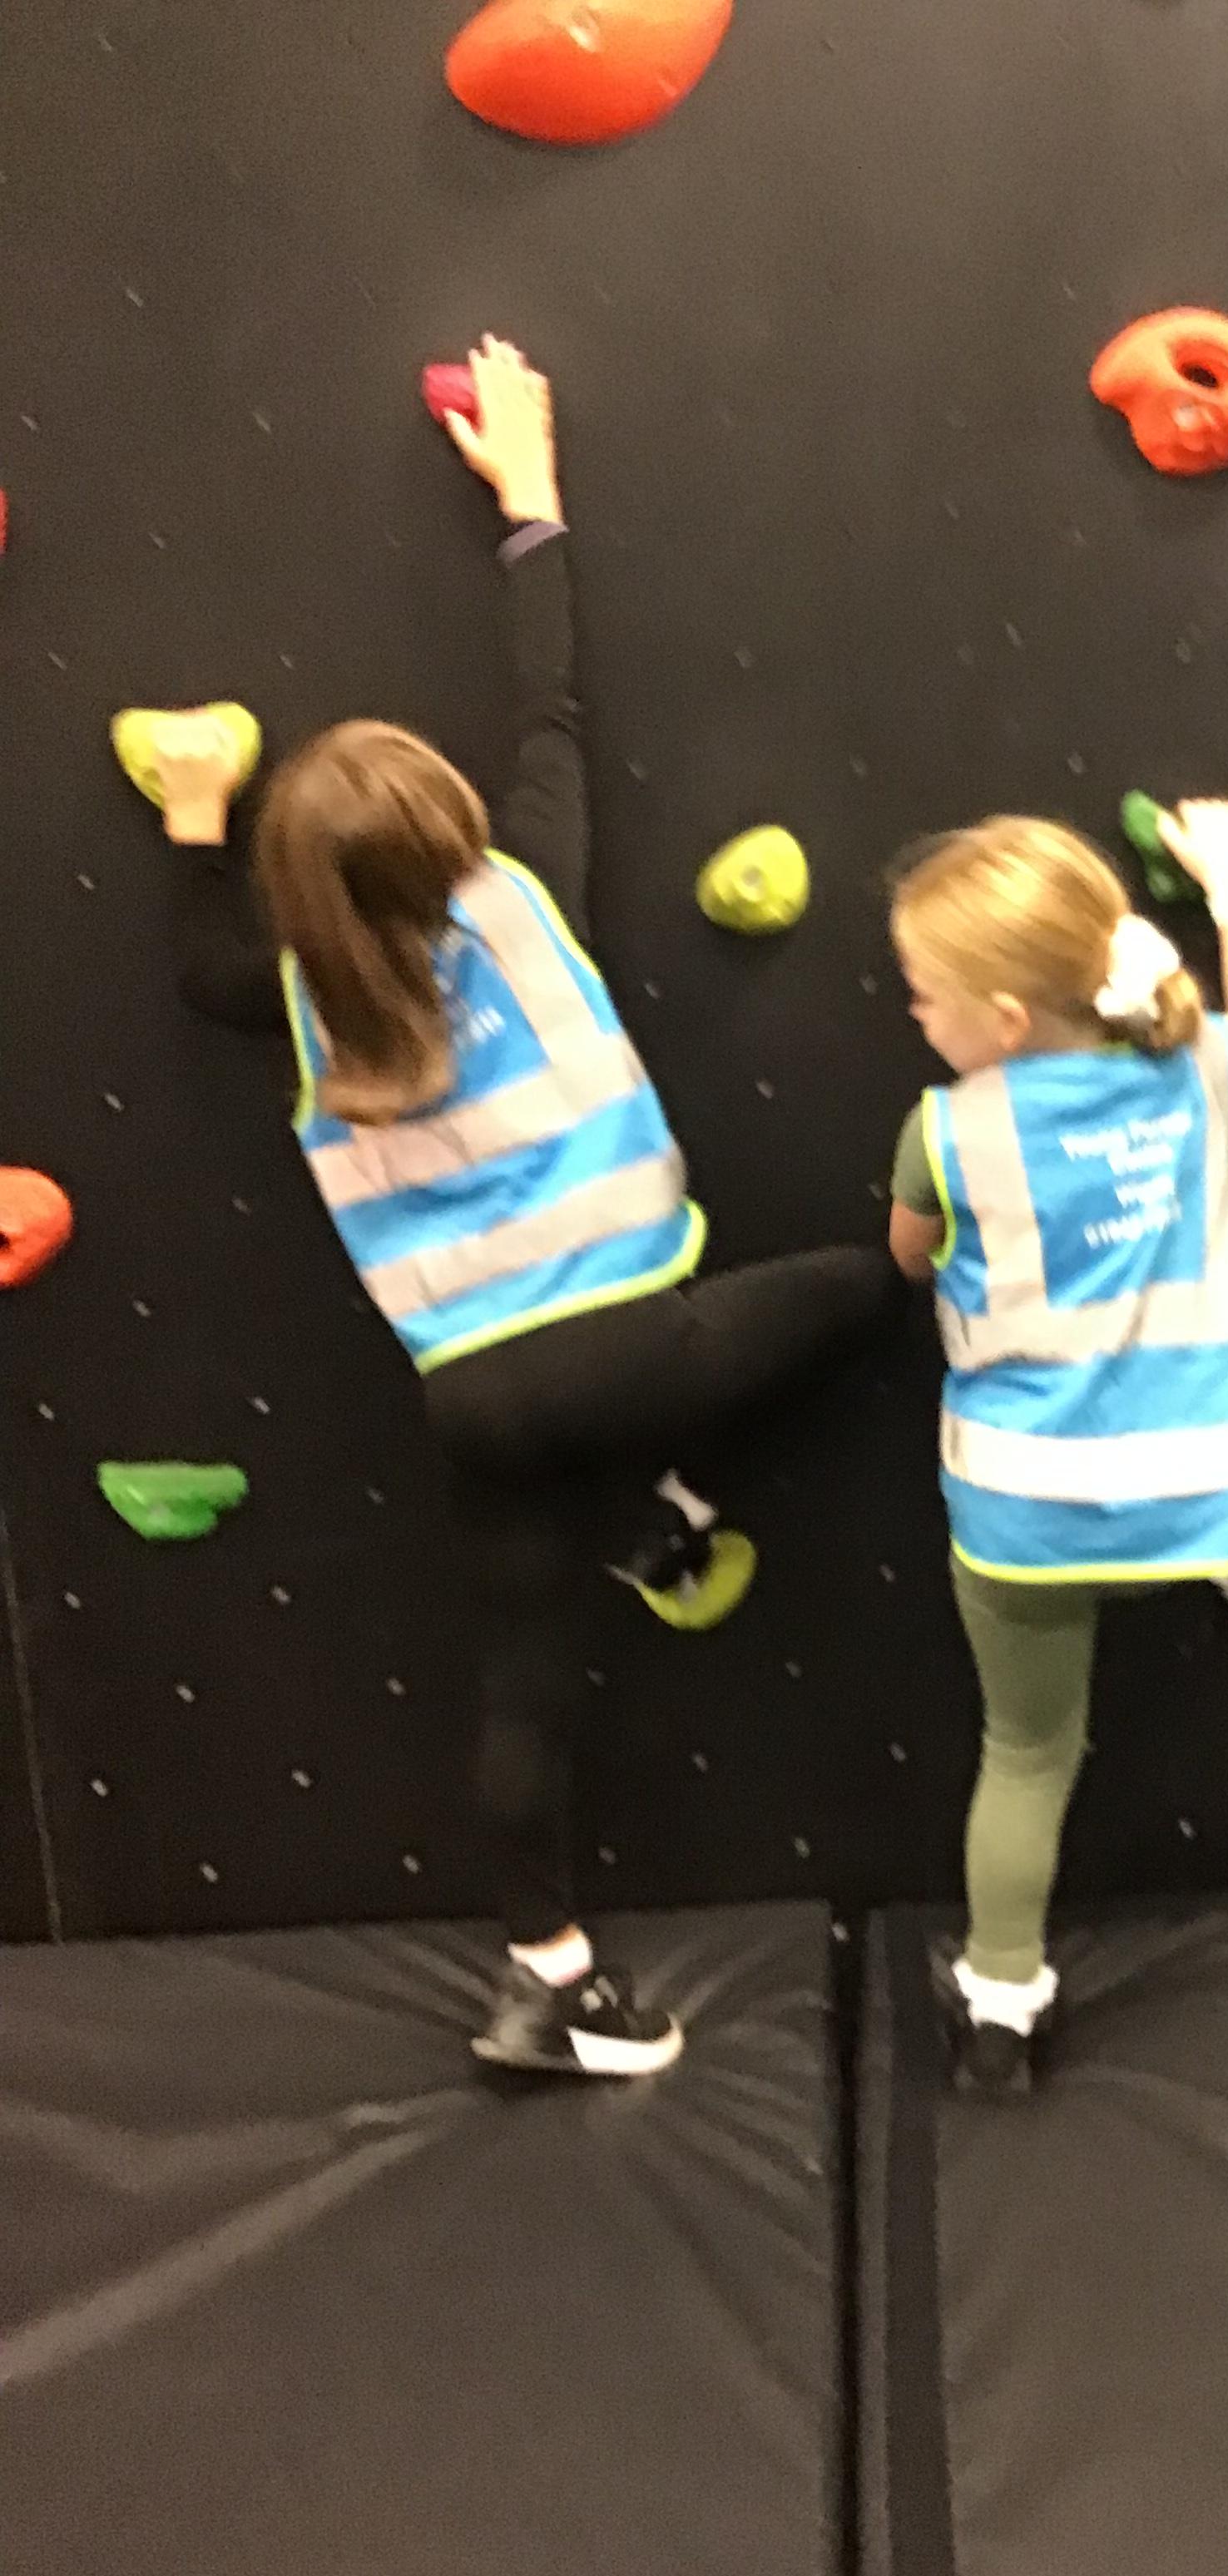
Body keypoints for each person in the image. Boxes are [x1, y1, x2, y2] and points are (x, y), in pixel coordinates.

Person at [136, 337, 896, 2077]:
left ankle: (545, 1978)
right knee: (871, 1284)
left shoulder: (296, 998)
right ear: (453, 831)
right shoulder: (526, 891)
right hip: (640, 1343)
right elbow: (551, 709)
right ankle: (667, 1501)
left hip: (475, 1391)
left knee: (524, 1683)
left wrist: (189, 818)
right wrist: (533, 497)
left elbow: (194, 970)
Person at [887, 803, 1228, 2094]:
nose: (913, 1014)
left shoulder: (946, 1130)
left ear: (1004, 1021)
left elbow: (910, 1257)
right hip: (1205, 1482)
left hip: (1028, 1521)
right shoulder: (1204, 1065)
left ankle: (1002, 2002)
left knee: (1028, 1753)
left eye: (924, 995)